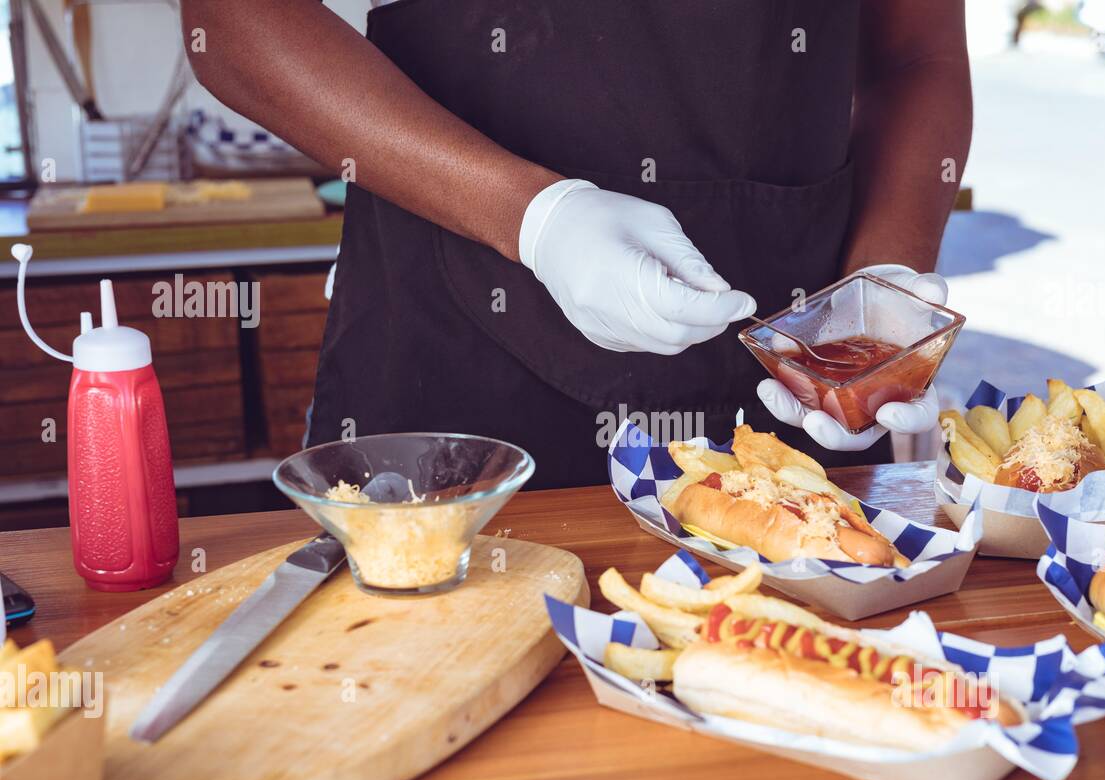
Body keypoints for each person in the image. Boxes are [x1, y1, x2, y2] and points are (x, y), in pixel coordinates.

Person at [183, 0, 971, 487]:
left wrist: (879, 294)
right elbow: (227, 19)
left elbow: (917, 54)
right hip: (450, 355)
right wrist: (535, 216)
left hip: (788, 380)